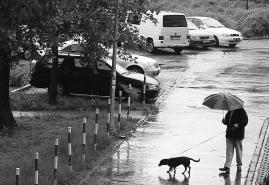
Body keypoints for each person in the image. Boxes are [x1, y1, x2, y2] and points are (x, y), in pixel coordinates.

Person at [219, 107, 248, 174]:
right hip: (229, 134)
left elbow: (245, 122)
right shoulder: (229, 111)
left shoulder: (241, 111)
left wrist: (238, 125)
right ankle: (227, 167)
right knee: (229, 151)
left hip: (238, 135)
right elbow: (227, 122)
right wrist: (224, 121)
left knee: (238, 151)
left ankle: (239, 166)